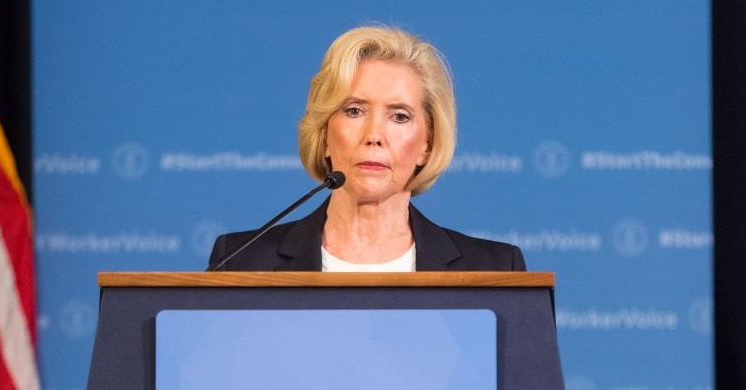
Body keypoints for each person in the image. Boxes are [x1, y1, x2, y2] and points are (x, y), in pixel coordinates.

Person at [208, 26, 525, 271]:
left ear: (427, 146)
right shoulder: (240, 261)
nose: (374, 135)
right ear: (325, 133)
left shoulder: (494, 268)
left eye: (399, 116)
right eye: (354, 111)